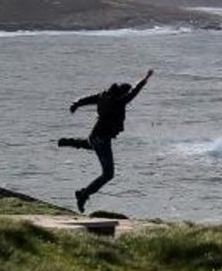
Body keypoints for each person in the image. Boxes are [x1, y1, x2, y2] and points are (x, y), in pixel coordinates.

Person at [57, 69, 154, 212]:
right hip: (102, 139)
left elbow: (87, 99)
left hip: (94, 136)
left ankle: (68, 142)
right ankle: (83, 194)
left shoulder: (103, 96)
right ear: (123, 93)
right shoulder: (119, 101)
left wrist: (76, 104)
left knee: (92, 144)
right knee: (108, 174)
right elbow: (135, 91)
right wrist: (145, 78)